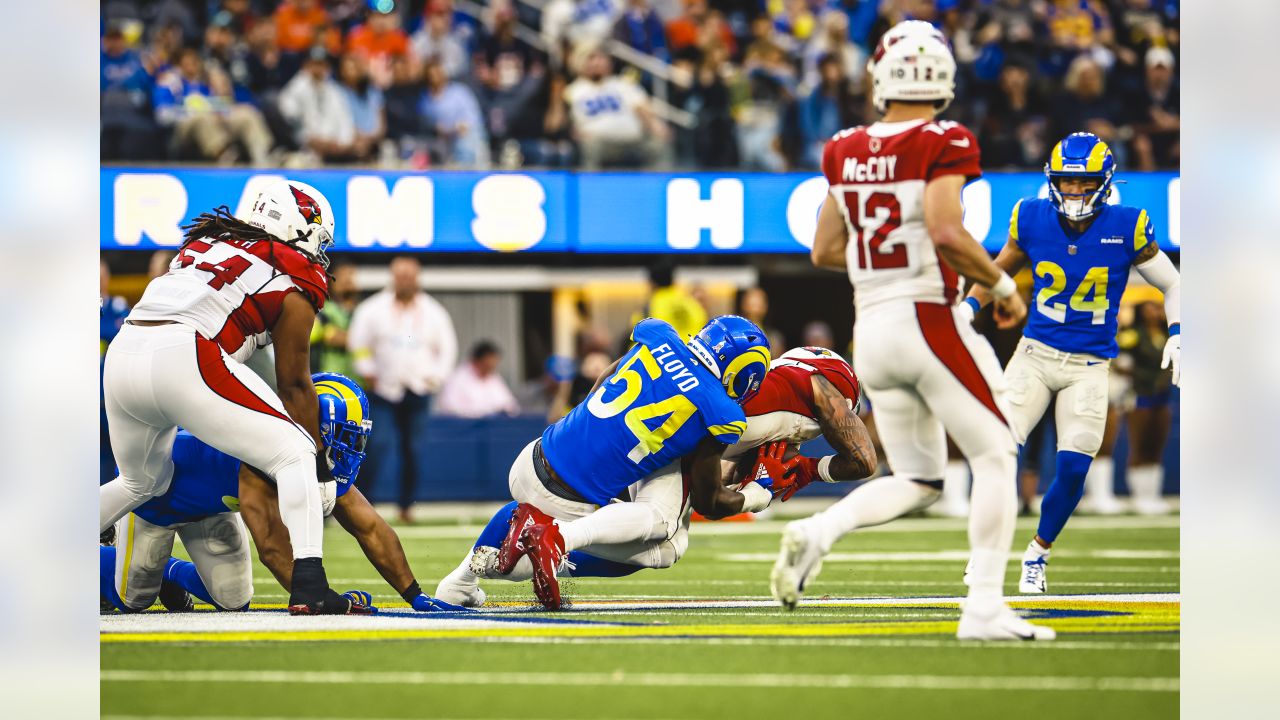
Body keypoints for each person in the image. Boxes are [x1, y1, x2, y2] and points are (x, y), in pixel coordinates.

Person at [774, 21, 1051, 641]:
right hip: (928, 315)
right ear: (943, 77)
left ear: (881, 76)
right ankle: (982, 608)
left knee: (921, 480)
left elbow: (824, 249)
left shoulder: (843, 148)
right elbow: (948, 232)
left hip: (870, 326)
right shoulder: (943, 138)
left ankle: (818, 532)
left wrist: (884, 257)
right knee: (997, 453)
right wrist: (1004, 288)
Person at [435, 345, 876, 607]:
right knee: (666, 539)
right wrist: (768, 488)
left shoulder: (674, 344)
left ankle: (468, 575)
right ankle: (558, 541)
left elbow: (613, 370)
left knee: (647, 545)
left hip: (569, 442)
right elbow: (863, 463)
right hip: (673, 441)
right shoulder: (807, 392)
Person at [99, 180, 346, 615]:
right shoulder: (292, 271)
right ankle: (310, 583)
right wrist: (321, 464)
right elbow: (293, 383)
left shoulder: (204, 244)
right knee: (294, 452)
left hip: (124, 353)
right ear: (298, 225)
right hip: (185, 353)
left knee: (141, 482)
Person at [959, 132, 1181, 592]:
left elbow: (1174, 284)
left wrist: (1179, 333)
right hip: (1035, 354)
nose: (1075, 192)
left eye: (1084, 183)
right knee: (998, 452)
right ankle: (984, 554)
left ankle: (1036, 555)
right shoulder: (1031, 217)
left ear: (1103, 182)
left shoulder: (1129, 224)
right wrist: (966, 311)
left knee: (1075, 467)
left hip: (1090, 364)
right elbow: (998, 272)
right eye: (1066, 182)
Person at [436, 315, 773, 609]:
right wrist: (759, 494)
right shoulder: (722, 412)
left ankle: (460, 582)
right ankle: (554, 541)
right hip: (567, 501)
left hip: (534, 456)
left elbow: (603, 380)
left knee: (533, 513)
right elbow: (708, 500)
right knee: (664, 541)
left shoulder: (658, 335)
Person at [101, 373, 465, 614]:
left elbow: (370, 527)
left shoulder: (311, 455)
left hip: (211, 509)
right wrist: (328, 601)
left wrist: (414, 594)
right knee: (132, 600)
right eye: (345, 435)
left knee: (233, 599)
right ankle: (101, 556)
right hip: (155, 502)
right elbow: (274, 549)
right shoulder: (262, 455)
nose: (352, 446)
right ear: (315, 429)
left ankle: (171, 573)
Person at [347, 256, 458, 523]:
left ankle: (406, 507)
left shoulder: (433, 312)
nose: (405, 280)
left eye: (410, 276)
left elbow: (448, 349)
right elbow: (357, 343)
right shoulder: (373, 309)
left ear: (417, 278)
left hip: (418, 389)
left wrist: (437, 378)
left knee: (414, 450)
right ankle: (364, 505)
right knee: (376, 446)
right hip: (383, 388)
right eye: (400, 276)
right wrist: (366, 370)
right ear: (392, 278)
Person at [563, 45, 670, 169]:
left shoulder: (623, 84)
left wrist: (656, 125)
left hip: (633, 140)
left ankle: (657, 185)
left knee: (660, 144)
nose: (598, 62)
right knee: (589, 147)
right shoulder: (573, 89)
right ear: (581, 62)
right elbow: (566, 119)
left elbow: (642, 107)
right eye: (592, 58)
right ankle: (590, 186)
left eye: (602, 58)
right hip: (598, 141)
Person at [1117, 294, 1176, 515]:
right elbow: (1120, 358)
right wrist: (1133, 376)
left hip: (1162, 395)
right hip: (1140, 394)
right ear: (1141, 311)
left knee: (1156, 445)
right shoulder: (1134, 335)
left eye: (1158, 307)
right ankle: (1139, 496)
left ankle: (1153, 495)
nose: (1156, 311)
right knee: (1140, 445)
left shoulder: (1166, 334)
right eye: (1150, 307)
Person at [277, 49, 360, 162]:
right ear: (307, 65)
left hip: (334, 151)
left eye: (321, 65)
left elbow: (345, 122)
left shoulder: (334, 91)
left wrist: (342, 144)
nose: (318, 69)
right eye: (314, 64)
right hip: (305, 150)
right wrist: (310, 139)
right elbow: (290, 119)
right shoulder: (296, 88)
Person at [434, 340, 520, 418]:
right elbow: (448, 407)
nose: (491, 368)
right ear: (476, 361)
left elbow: (510, 405)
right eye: (487, 365)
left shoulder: (494, 378)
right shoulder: (457, 379)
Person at [309, 263, 358, 377]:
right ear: (331, 280)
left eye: (351, 275)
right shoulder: (321, 309)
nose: (347, 280)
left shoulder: (363, 310)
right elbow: (331, 336)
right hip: (329, 377)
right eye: (342, 276)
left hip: (357, 379)